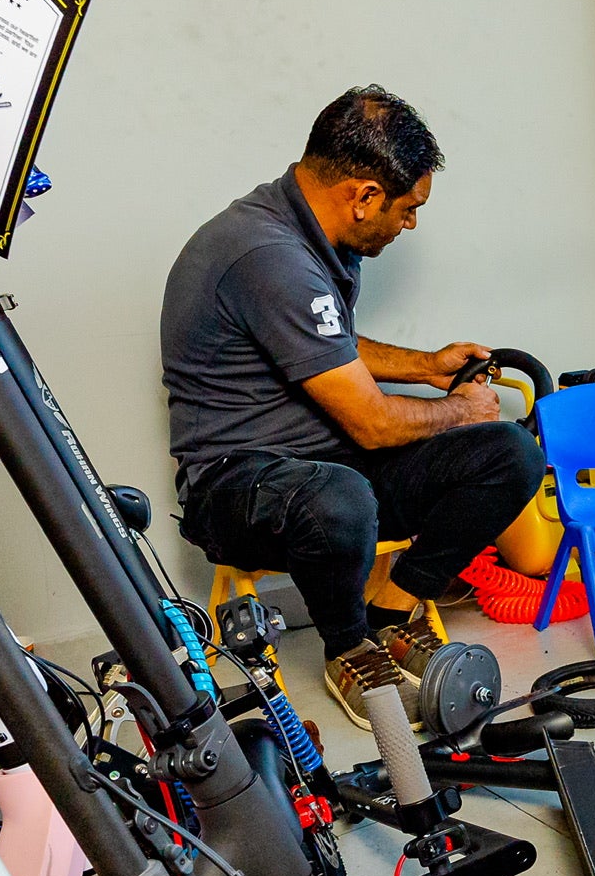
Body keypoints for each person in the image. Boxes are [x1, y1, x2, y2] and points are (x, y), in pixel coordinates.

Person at [162, 85, 544, 727]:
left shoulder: (314, 237)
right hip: (236, 487)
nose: (412, 223)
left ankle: (390, 614)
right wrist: (459, 410)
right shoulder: (269, 254)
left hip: (327, 466)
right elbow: (368, 423)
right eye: (410, 207)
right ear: (365, 195)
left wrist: (427, 365)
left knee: (510, 454)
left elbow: (324, 344)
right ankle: (349, 648)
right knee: (341, 496)